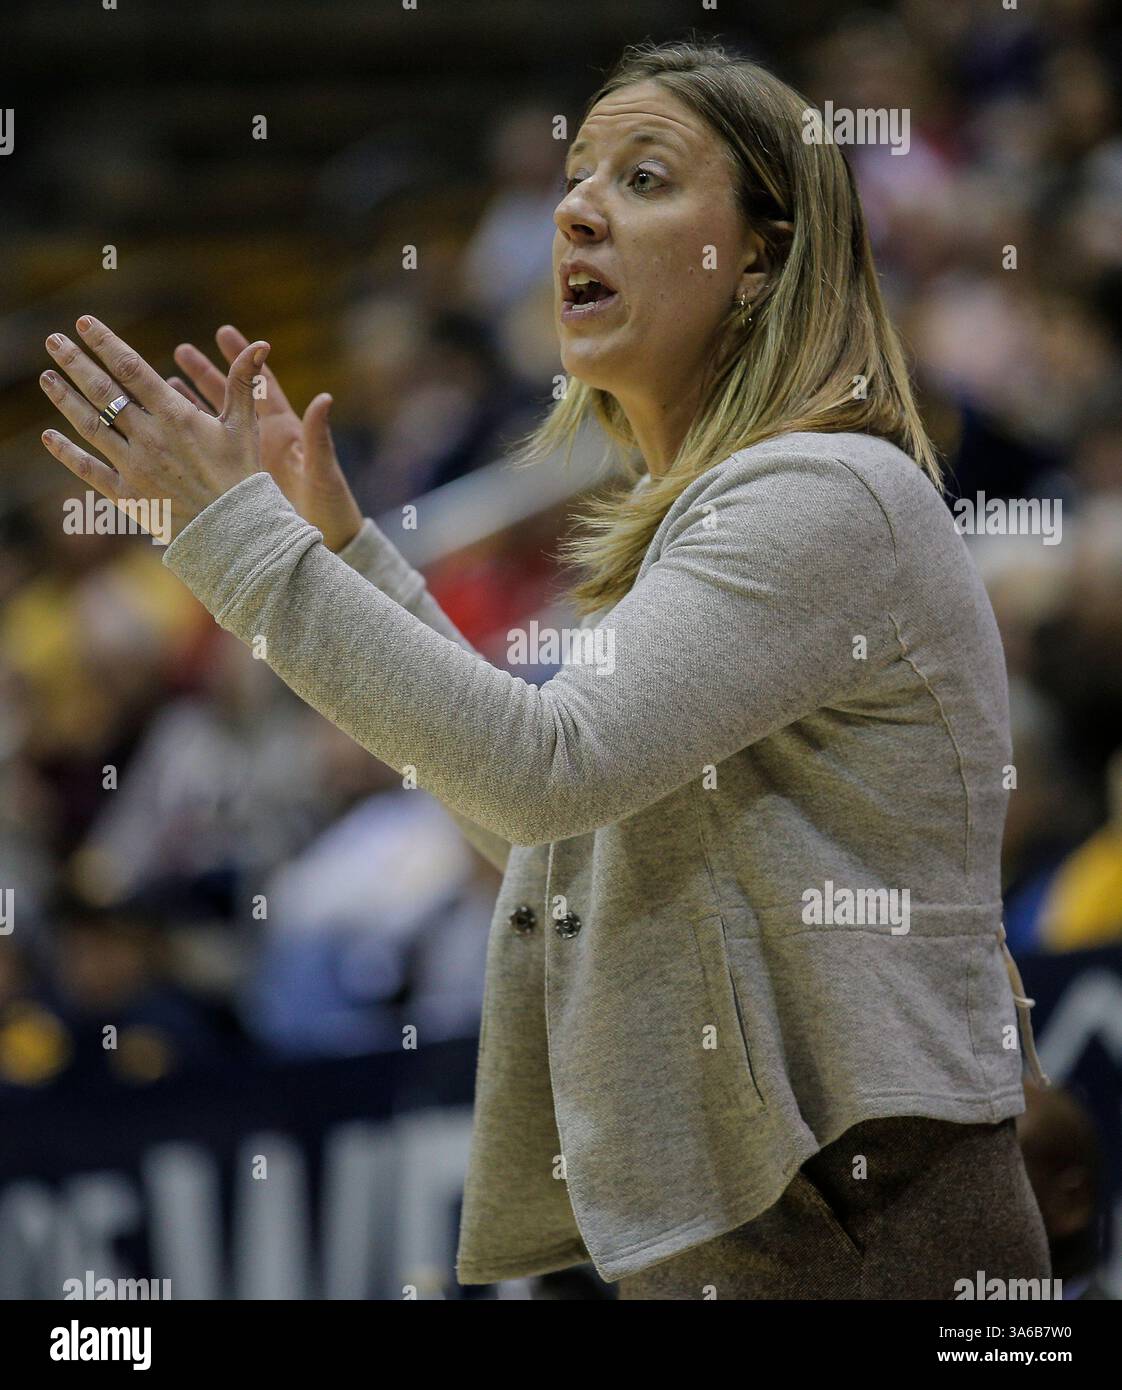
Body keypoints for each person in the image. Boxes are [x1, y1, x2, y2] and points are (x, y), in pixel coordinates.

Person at [37, 38, 1051, 1298]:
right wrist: (346, 560)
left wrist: (232, 544)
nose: (575, 207)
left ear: (762, 254)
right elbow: (541, 831)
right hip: (768, 1227)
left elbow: (543, 774)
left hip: (866, 1222)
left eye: (642, 177)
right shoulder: (713, 517)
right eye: (577, 176)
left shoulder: (825, 493)